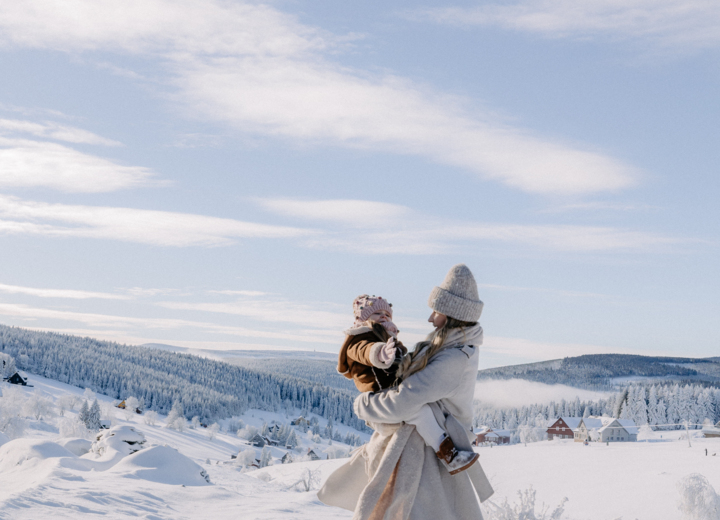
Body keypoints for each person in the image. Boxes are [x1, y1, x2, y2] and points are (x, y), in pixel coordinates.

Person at [319, 264, 494, 520]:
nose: (430, 318)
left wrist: (363, 406)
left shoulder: (454, 359)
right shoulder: (442, 347)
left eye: (436, 311)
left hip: (427, 467)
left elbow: (403, 402)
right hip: (415, 457)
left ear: (452, 314)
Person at [338, 294, 477, 473]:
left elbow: (402, 355)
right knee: (420, 413)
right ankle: (449, 455)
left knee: (421, 412)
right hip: (379, 393)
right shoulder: (359, 338)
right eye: (377, 313)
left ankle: (444, 451)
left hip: (391, 391)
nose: (383, 316)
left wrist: (398, 347)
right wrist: (381, 353)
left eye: (387, 314)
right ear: (362, 318)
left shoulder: (385, 335)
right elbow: (364, 351)